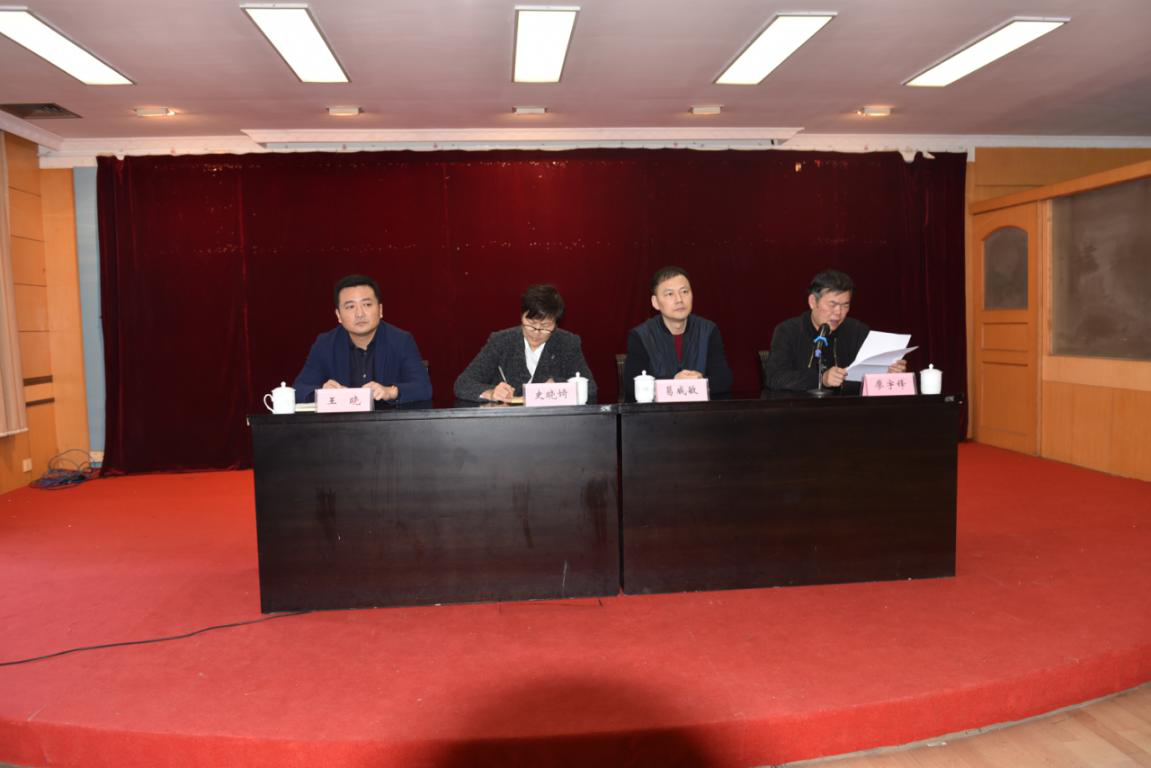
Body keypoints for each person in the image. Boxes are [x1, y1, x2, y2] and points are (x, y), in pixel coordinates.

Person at [292, 274, 432, 405]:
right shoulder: (325, 344)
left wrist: (390, 392)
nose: (359, 314)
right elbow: (299, 389)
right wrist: (322, 393)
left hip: (387, 422)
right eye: (350, 306)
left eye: (367, 304)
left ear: (380, 310)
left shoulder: (401, 341)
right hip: (341, 422)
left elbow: (424, 388)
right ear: (338, 315)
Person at [763, 268, 907, 393]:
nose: (838, 312)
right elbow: (774, 377)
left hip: (849, 410)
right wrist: (821, 379)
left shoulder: (857, 331)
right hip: (801, 410)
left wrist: (888, 372)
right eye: (832, 304)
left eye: (845, 305)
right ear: (813, 302)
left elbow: (868, 379)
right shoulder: (788, 331)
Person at [454, 284, 597, 403]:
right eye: (531, 324)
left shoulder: (567, 342)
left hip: (553, 423)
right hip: (507, 422)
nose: (537, 331)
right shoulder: (500, 341)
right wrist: (491, 393)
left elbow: (590, 387)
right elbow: (463, 383)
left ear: (555, 324)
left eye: (545, 326)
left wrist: (558, 386)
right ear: (522, 316)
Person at [623, 266, 733, 402]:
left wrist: (700, 382)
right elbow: (631, 385)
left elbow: (723, 380)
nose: (679, 299)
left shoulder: (708, 330)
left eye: (684, 292)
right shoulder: (640, 335)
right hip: (658, 414)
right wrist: (674, 382)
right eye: (670, 294)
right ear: (655, 302)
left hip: (701, 412)